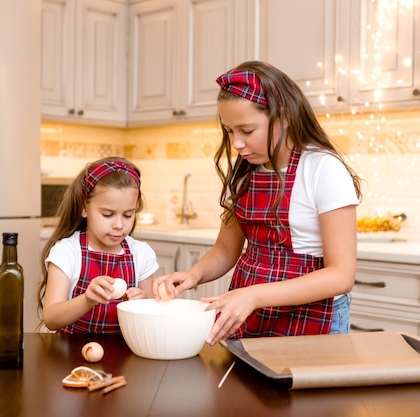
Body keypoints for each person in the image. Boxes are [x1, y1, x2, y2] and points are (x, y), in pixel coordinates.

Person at [153, 61, 362, 345]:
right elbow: (226, 249)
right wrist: (193, 274)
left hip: (313, 316)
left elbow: (340, 276)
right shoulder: (244, 172)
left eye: (247, 131)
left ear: (284, 117)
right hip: (251, 312)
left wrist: (254, 294)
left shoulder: (322, 169)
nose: (237, 143)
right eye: (229, 131)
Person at [38, 157, 159, 334]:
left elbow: (151, 315)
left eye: (128, 215)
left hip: (126, 355)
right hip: (70, 355)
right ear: (84, 208)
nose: (119, 224)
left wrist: (142, 303)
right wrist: (86, 300)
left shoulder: (141, 253)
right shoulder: (67, 252)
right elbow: (51, 318)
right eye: (108, 214)